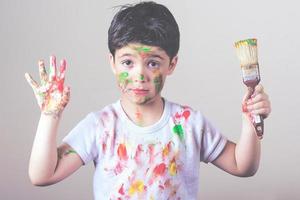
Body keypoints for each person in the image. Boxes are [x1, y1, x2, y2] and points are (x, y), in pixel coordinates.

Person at [25, 1, 271, 200]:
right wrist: (50, 115)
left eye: (152, 63)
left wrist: (251, 119)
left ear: (171, 64)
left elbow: (243, 165)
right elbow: (42, 175)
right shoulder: (100, 126)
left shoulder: (189, 124)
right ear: (112, 62)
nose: (139, 75)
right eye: (127, 63)